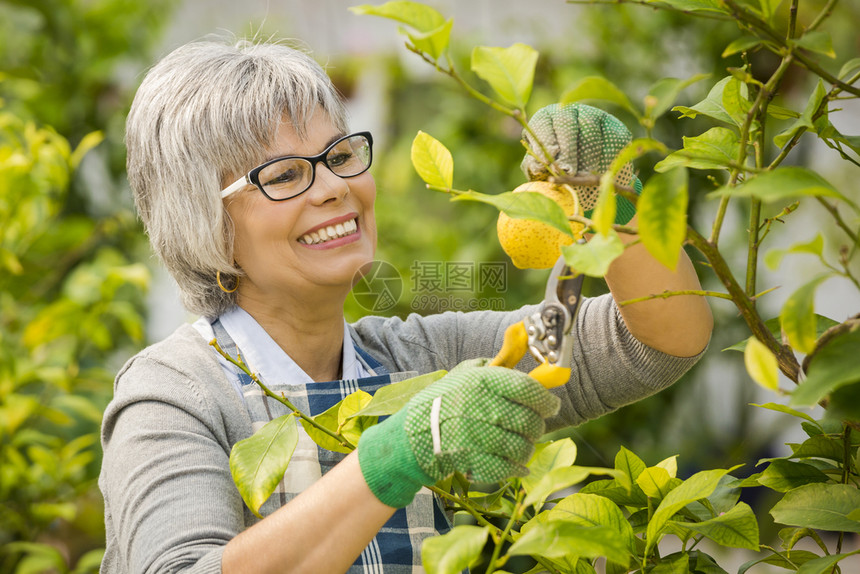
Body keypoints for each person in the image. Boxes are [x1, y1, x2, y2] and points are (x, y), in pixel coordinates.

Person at [98, 37, 713, 574]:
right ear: (201, 217)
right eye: (286, 176)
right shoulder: (173, 396)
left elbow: (658, 341)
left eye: (339, 158)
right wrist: (399, 454)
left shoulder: (419, 357)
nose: (335, 187)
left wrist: (616, 202)